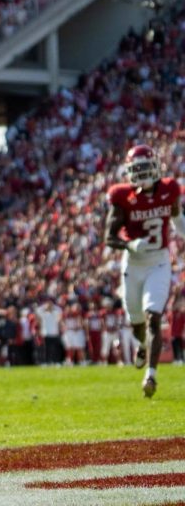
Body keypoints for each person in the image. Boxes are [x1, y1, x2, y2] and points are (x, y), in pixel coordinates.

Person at [103, 144, 183, 398]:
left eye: (145, 167)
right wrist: (129, 243)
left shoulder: (169, 190)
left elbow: (177, 219)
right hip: (133, 263)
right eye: (136, 169)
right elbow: (108, 237)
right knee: (136, 320)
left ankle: (151, 374)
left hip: (159, 261)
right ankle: (140, 344)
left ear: (156, 166)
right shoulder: (122, 195)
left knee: (153, 317)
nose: (141, 173)